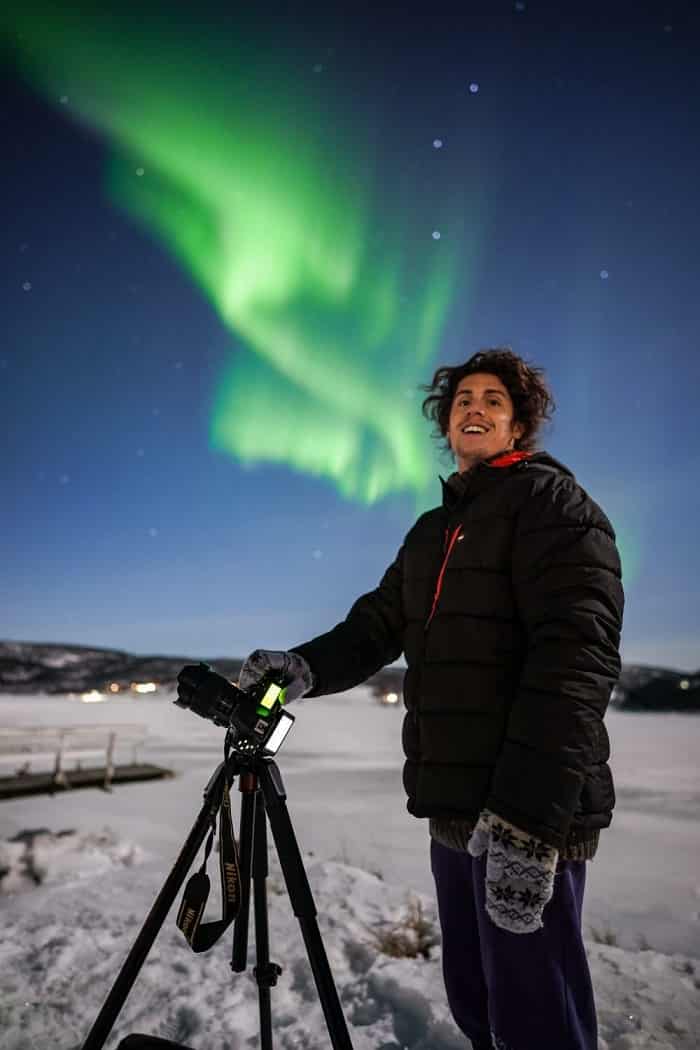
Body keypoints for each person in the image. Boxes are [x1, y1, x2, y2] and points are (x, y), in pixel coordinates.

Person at [238, 347, 625, 1050]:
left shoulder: (554, 507)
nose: (474, 409)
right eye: (462, 402)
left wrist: (527, 823)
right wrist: (303, 667)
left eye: (493, 401)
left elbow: (576, 662)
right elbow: (373, 628)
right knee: (476, 1000)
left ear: (518, 426)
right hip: (453, 806)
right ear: (448, 426)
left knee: (538, 1016)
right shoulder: (430, 533)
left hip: (528, 813)